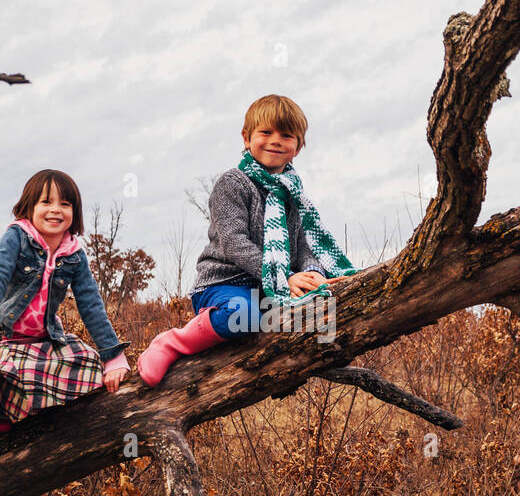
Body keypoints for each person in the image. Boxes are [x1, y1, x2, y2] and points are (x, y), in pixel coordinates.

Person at [137, 94, 358, 387]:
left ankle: (286, 375)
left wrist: (312, 273)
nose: (275, 141)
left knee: (324, 311)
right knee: (242, 315)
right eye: (265, 132)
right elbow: (234, 243)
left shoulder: (294, 195)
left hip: (269, 288)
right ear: (246, 137)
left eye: (286, 135)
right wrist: (284, 277)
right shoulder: (233, 183)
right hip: (225, 284)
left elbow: (306, 244)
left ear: (298, 147)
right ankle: (173, 343)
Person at [0, 169, 129, 431]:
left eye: (64, 204)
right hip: (7, 340)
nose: (55, 210)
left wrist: (112, 356)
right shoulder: (17, 238)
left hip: (44, 342)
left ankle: (42, 419)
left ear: (74, 212)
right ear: (30, 207)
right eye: (46, 202)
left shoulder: (74, 254)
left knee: (89, 364)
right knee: (8, 376)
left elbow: (90, 304)